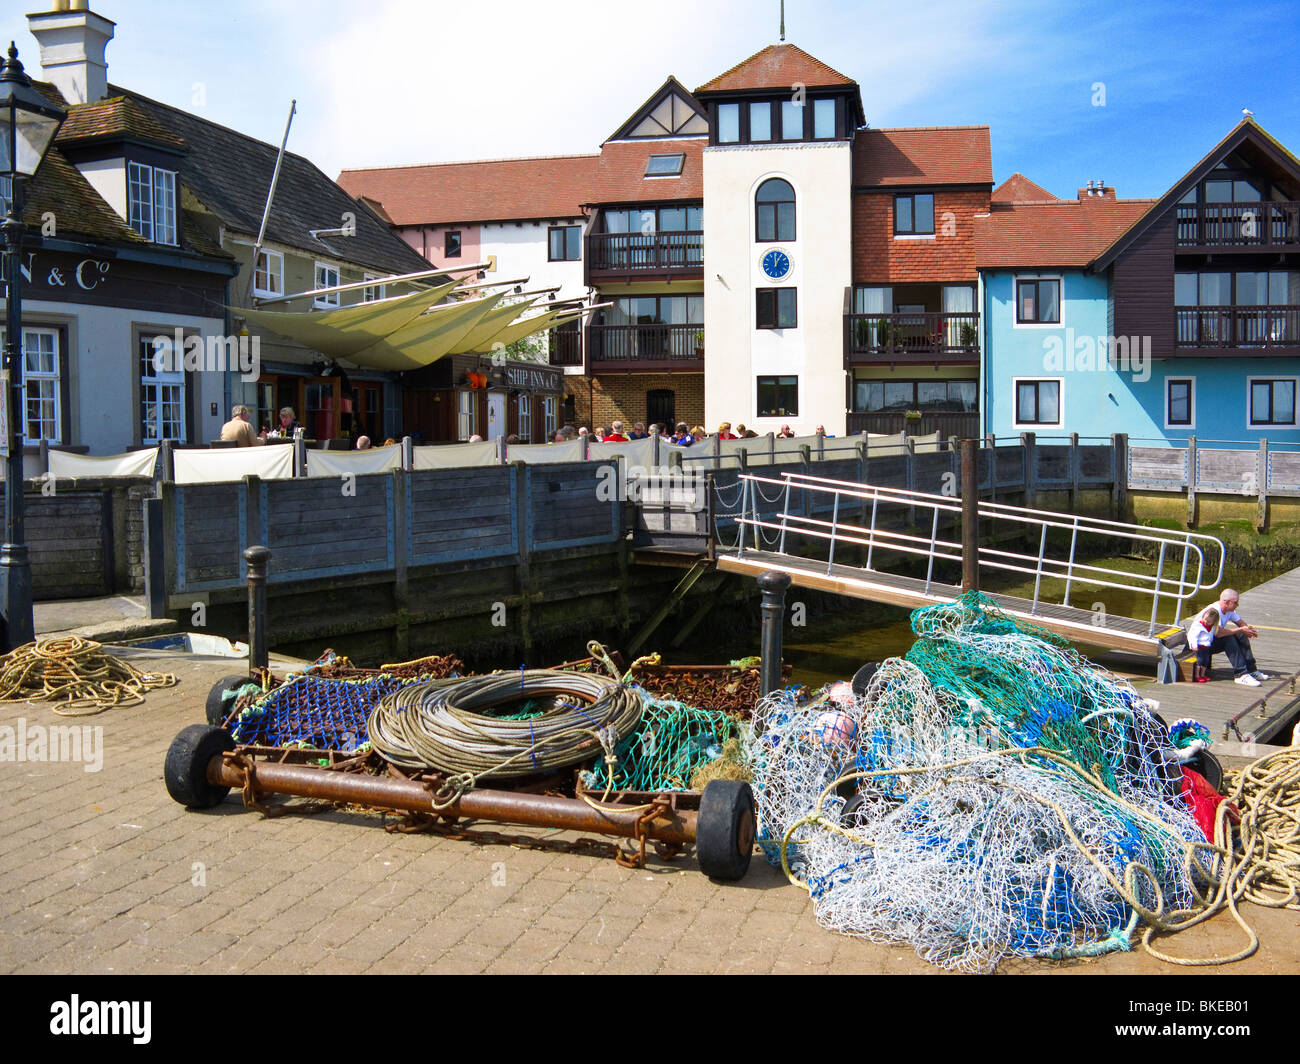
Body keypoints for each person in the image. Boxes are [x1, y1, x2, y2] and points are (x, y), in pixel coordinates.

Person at [1198, 588, 1268, 686]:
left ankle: (1251, 670)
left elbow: (1240, 623)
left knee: (1241, 634)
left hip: (1209, 642)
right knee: (1228, 638)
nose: (1237, 605)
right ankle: (1240, 674)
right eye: (1235, 602)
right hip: (1199, 646)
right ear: (1226, 602)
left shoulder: (1229, 610)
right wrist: (1241, 629)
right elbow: (1218, 633)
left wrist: (1248, 630)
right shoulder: (1214, 612)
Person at [1187, 606, 1220, 683]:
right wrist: (1194, 645)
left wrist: (1210, 641)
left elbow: (1210, 635)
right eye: (1205, 619)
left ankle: (1202, 675)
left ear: (1213, 622)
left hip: (1206, 646)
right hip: (1199, 646)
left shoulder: (1211, 627)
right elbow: (1193, 636)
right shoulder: (1198, 626)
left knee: (1206, 661)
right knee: (1200, 661)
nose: (1206, 622)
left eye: (1209, 622)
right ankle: (1197, 676)